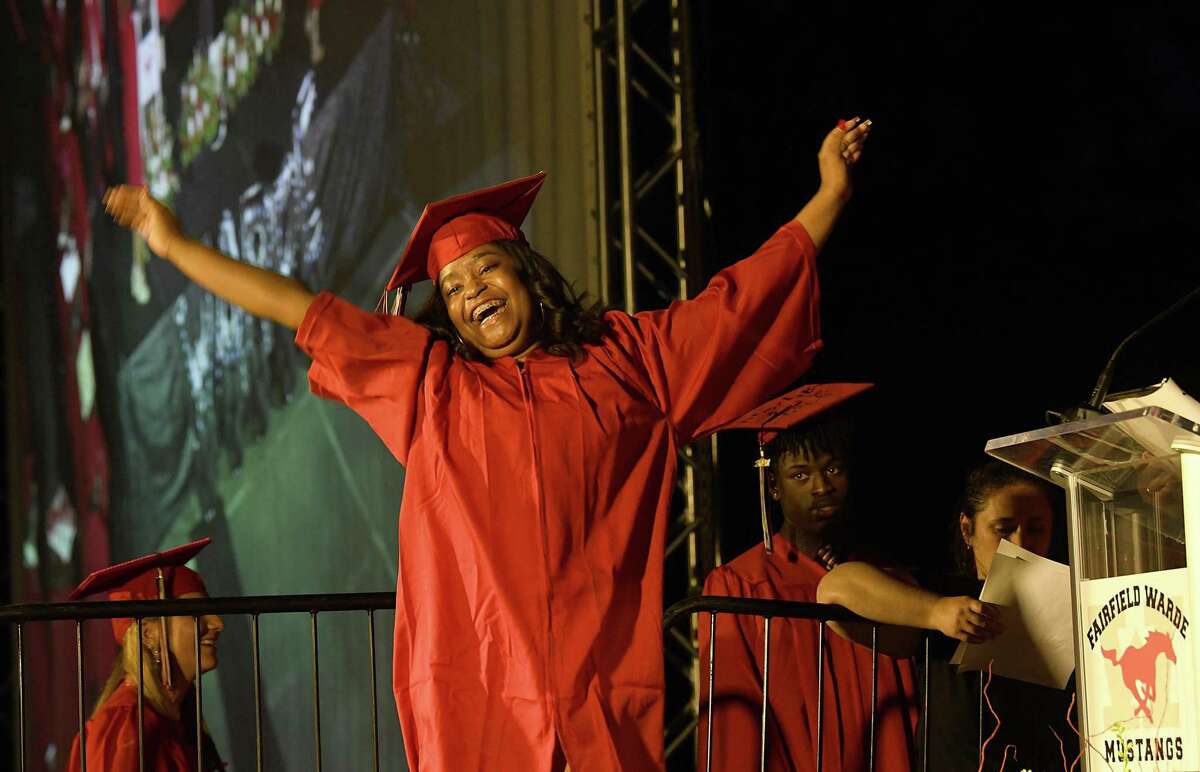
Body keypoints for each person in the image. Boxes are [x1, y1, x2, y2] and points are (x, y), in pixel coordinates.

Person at [103, 117, 872, 772]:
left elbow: (737, 304)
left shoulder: (630, 364)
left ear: (529, 275)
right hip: (480, 699)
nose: (472, 294)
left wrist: (829, 197)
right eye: (456, 288)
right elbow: (304, 310)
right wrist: (174, 245)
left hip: (602, 693)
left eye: (486, 270)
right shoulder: (433, 388)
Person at [697, 392, 919, 771]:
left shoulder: (888, 579)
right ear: (773, 487)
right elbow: (735, 723)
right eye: (800, 475)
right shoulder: (740, 584)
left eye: (832, 470)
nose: (821, 487)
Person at [816, 459, 1078, 770]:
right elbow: (835, 588)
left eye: (1036, 529)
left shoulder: (1070, 595)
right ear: (968, 529)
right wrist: (935, 612)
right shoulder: (947, 592)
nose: (1022, 544)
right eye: (1004, 530)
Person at [67, 538, 225, 772]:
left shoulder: (178, 718)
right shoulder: (125, 724)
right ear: (149, 633)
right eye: (197, 613)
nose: (217, 623)